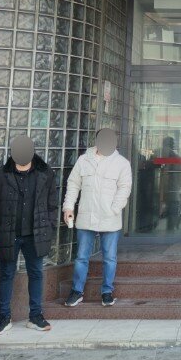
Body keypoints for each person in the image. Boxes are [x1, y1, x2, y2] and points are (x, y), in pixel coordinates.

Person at [0, 135, 59, 335]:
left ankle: (35, 315)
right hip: (8, 233)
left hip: (35, 233)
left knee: (36, 273)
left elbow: (52, 203)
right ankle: (4, 317)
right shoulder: (1, 174)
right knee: (6, 274)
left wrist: (49, 226)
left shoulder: (45, 173)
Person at [62, 128, 132, 308]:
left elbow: (125, 188)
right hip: (86, 216)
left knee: (109, 258)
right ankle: (77, 291)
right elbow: (73, 184)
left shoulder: (121, 163)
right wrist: (68, 207)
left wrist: (114, 209)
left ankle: (107, 291)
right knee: (81, 257)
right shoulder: (83, 160)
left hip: (110, 218)